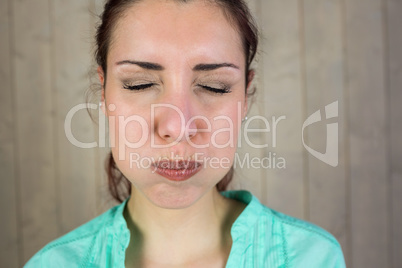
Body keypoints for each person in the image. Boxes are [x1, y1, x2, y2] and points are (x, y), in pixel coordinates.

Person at [25, 0, 346, 267]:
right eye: (140, 84)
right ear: (104, 92)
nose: (177, 127)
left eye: (213, 87)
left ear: (245, 96)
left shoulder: (311, 258)